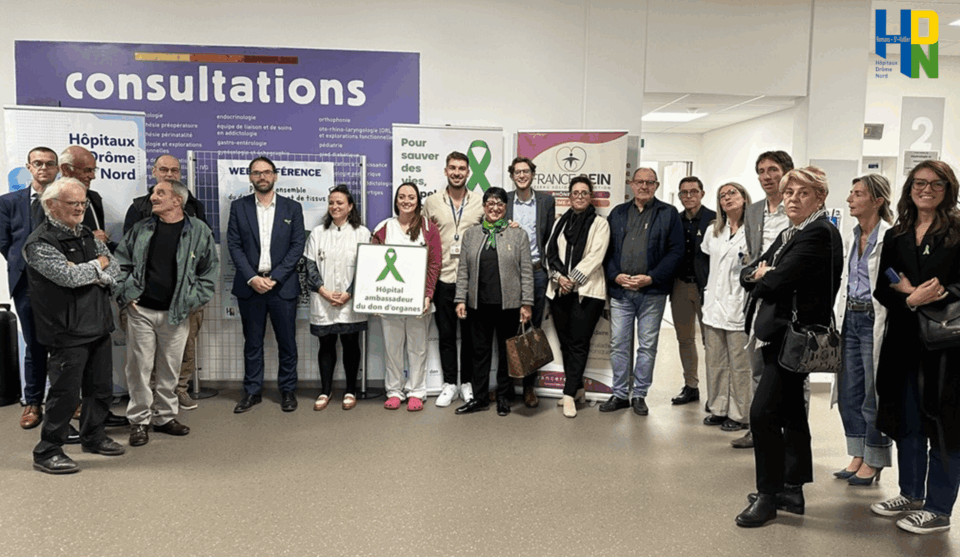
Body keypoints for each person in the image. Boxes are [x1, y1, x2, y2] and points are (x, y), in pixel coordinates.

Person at [735, 166, 842, 528]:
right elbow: (748, 272)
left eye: (803, 193)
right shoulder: (789, 234)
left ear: (820, 197)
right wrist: (759, 274)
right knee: (792, 413)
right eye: (789, 192)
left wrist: (765, 276)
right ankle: (792, 490)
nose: (793, 199)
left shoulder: (820, 234)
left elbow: (774, 282)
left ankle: (768, 496)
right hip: (778, 336)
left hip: (793, 339)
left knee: (762, 414)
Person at [871, 161, 960, 535]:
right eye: (919, 183)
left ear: (948, 189)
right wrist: (908, 295)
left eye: (936, 183)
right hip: (903, 340)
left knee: (943, 426)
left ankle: (939, 508)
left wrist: (934, 294)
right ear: (909, 188)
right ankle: (911, 494)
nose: (927, 189)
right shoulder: (897, 233)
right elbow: (884, 281)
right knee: (907, 421)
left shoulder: (958, 233)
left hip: (945, 345)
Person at [24, 178, 125, 473]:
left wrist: (94, 269)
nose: (80, 208)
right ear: (52, 205)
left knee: (100, 390)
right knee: (65, 395)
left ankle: (93, 437)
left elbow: (115, 268)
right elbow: (66, 278)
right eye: (73, 203)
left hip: (98, 324)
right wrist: (98, 265)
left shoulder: (85, 234)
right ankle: (47, 451)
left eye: (83, 203)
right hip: (66, 330)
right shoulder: (40, 243)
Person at [115, 179, 218, 447]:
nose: (152, 197)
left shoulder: (199, 231)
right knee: (139, 369)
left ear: (177, 201)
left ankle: (164, 417)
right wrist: (126, 293)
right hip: (142, 311)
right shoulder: (141, 228)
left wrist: (191, 301)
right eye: (153, 192)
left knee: (170, 370)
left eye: (160, 193)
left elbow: (209, 273)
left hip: (178, 312)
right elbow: (120, 262)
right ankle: (139, 421)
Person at [122, 154, 209, 411]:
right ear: (154, 172)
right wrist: (127, 294)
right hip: (146, 301)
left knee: (184, 347)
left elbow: (205, 257)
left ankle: (178, 391)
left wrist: (195, 296)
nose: (169, 174)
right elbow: (125, 254)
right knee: (143, 357)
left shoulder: (194, 207)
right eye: (164, 170)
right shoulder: (139, 208)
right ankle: (146, 401)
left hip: (185, 296)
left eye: (174, 170)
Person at [601, 167, 683, 416]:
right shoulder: (618, 213)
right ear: (631, 184)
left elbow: (676, 251)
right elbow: (606, 250)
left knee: (647, 346)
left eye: (650, 182)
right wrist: (615, 275)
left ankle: (639, 394)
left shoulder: (668, 214)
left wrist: (652, 277)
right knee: (618, 345)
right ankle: (619, 394)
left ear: (656, 186)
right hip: (621, 293)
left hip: (652, 293)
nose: (644, 186)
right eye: (639, 182)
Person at [227, 156, 306, 414]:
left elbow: (297, 247)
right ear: (250, 177)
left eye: (267, 172)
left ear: (275, 176)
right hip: (250, 285)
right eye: (257, 172)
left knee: (287, 343)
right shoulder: (239, 208)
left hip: (282, 286)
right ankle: (252, 392)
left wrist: (275, 277)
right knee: (252, 342)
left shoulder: (292, 208)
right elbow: (234, 245)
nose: (262, 176)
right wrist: (253, 277)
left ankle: (287, 391)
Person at [832, 174, 893, 485]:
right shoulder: (852, 236)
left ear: (877, 201)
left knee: (873, 393)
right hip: (850, 318)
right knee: (849, 391)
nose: (849, 199)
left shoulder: (891, 237)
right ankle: (857, 453)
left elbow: (895, 280)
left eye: (857, 194)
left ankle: (875, 457)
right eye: (851, 192)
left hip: (873, 319)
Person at [732, 150, 796, 449]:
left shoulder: (797, 209)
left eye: (773, 170)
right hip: (760, 298)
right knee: (757, 367)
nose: (767, 177)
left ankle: (792, 434)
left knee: (792, 373)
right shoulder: (755, 211)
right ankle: (760, 429)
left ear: (787, 172)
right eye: (761, 171)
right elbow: (751, 255)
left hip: (790, 300)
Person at [454, 187, 534, 416]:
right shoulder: (472, 234)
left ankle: (503, 397)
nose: (495, 208)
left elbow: (526, 272)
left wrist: (526, 302)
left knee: (507, 353)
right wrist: (460, 298)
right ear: (484, 206)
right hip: (478, 305)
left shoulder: (518, 235)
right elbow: (463, 271)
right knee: (479, 353)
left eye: (500, 204)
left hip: (508, 305)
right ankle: (479, 398)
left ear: (506, 207)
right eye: (490, 203)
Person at [422, 152, 484, 407]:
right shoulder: (432, 202)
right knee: (446, 334)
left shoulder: (480, 201)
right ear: (446, 171)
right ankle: (449, 383)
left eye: (461, 168)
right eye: (452, 168)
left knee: (470, 336)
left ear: (468, 172)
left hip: (472, 280)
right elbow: (421, 238)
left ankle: (467, 383)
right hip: (443, 278)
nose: (457, 172)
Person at [1, 146, 57, 430]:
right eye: (38, 163)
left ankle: (66, 402)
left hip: (61, 284)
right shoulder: (9, 202)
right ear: (29, 167)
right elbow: (3, 242)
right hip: (26, 285)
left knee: (64, 346)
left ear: (57, 169)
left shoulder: (65, 199)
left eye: (49, 164)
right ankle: (33, 402)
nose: (43, 168)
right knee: (34, 345)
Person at [372, 183, 442, 411]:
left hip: (418, 301)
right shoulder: (384, 228)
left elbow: (434, 264)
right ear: (396, 200)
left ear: (418, 200)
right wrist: (374, 297)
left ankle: (416, 392)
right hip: (390, 300)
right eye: (402, 197)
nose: (406, 201)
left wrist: (428, 295)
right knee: (392, 349)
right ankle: (393, 391)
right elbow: (372, 265)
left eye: (411, 197)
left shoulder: (428, 228)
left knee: (417, 347)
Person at [544, 176, 609, 418]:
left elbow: (595, 257)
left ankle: (568, 394)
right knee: (565, 343)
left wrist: (571, 280)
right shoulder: (559, 223)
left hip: (587, 292)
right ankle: (579, 387)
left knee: (579, 344)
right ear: (569, 196)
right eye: (575, 192)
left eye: (584, 192)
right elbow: (549, 252)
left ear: (590, 196)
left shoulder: (600, 224)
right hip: (559, 290)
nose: (579, 196)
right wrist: (559, 278)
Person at [304, 185, 371, 411]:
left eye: (340, 203)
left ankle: (350, 390)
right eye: (331, 202)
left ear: (350, 206)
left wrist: (349, 293)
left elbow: (366, 266)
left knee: (351, 344)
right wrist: (323, 291)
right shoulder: (317, 233)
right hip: (323, 299)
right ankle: (325, 390)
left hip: (350, 299)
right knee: (326, 343)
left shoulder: (362, 233)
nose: (334, 206)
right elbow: (310, 265)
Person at [700, 182, 752, 432]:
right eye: (722, 195)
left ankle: (740, 413)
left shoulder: (753, 231)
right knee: (715, 361)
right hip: (713, 304)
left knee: (740, 364)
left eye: (733, 193)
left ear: (744, 197)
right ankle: (718, 408)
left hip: (738, 305)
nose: (727, 198)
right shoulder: (713, 230)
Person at [505, 156, 555, 408]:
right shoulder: (504, 200)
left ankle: (528, 388)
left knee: (532, 330)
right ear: (512, 176)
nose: (522, 175)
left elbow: (547, 237)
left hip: (536, 272)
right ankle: (505, 387)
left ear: (533, 174)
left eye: (526, 171)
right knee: (506, 328)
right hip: (508, 273)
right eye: (517, 172)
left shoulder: (546, 201)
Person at [669, 176, 716, 406]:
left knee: (711, 341)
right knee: (685, 339)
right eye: (684, 192)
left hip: (705, 288)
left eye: (693, 191)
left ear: (702, 193)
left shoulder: (715, 219)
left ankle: (715, 393)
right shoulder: (674, 220)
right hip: (679, 286)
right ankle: (691, 386)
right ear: (679, 196)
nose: (689, 196)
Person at [59, 145, 114, 250]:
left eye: (94, 170)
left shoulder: (94, 198)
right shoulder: (47, 200)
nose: (93, 176)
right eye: (87, 170)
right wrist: (88, 239)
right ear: (66, 169)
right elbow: (45, 243)